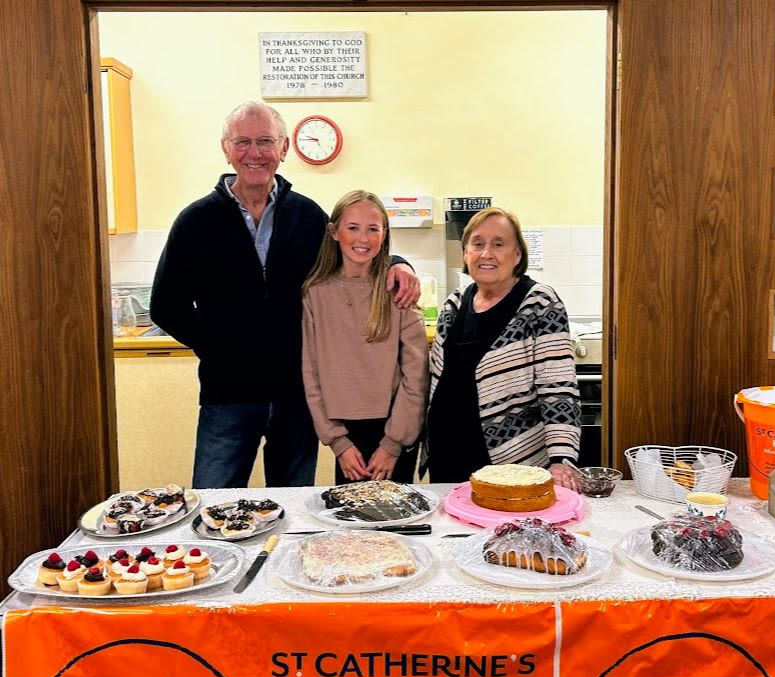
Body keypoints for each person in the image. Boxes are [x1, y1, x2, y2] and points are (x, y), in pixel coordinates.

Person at [150, 101, 419, 488]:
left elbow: (353, 251)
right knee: (214, 501)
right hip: (228, 396)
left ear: (284, 148)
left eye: (265, 141)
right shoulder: (195, 221)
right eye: (242, 142)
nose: (254, 153)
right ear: (226, 149)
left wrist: (398, 262)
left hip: (296, 398)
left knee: (294, 507)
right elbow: (165, 306)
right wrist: (220, 347)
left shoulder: (307, 216)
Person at [425, 206, 581, 490]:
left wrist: (561, 459)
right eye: (477, 244)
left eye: (498, 244)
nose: (486, 253)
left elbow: (558, 387)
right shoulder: (455, 303)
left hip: (512, 463)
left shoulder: (539, 303)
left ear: (517, 254)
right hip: (447, 456)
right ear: (465, 252)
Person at [302, 191, 429, 484]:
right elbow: (311, 373)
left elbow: (416, 375)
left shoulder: (398, 288)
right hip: (346, 435)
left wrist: (393, 443)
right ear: (334, 232)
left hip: (394, 428)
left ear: (384, 234)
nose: (363, 238)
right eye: (353, 228)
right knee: (350, 512)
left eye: (373, 229)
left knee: (397, 510)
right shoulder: (315, 293)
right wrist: (338, 442)